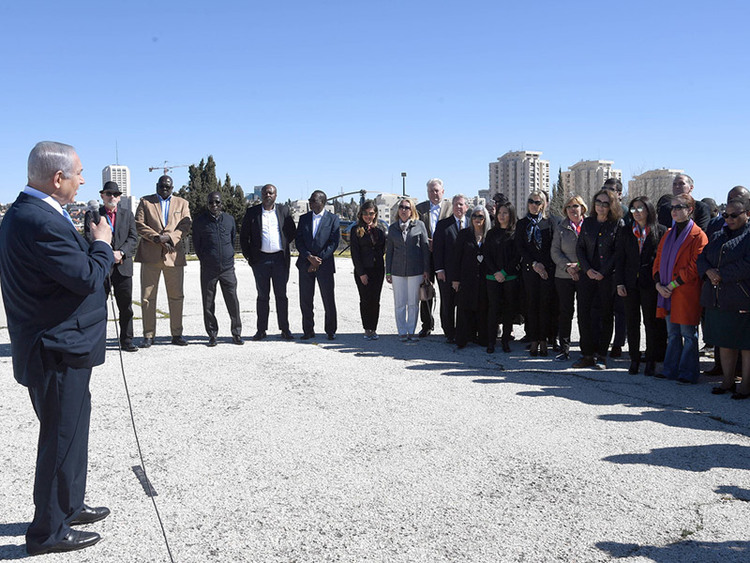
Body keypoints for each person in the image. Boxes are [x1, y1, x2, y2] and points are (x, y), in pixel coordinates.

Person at [0, 141, 114, 555]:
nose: (85, 179)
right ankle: (47, 531)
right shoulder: (38, 220)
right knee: (60, 437)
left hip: (61, 345)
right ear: (58, 178)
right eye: (79, 172)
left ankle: (68, 505)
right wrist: (102, 244)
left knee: (72, 430)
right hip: (56, 348)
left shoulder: (33, 213)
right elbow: (85, 276)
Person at [653, 194, 708, 383]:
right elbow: (658, 261)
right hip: (667, 292)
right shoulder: (668, 233)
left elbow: (695, 266)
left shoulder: (698, 235)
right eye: (673, 208)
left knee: (689, 335)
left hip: (685, 292)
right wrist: (658, 284)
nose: (675, 211)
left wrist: (672, 284)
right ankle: (670, 369)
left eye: (680, 207)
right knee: (673, 334)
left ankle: (688, 373)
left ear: (690, 210)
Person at [698, 198, 750, 398]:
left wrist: (721, 273)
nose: (729, 219)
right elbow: (701, 258)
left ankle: (745, 385)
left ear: (747, 214)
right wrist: (709, 271)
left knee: (746, 345)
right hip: (718, 298)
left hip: (742, 297)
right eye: (726, 214)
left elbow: (747, 264)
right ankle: (727, 381)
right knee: (725, 342)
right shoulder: (718, 235)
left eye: (734, 215)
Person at [134, 175, 192, 347]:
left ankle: (176, 334)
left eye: (168, 186)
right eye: (162, 186)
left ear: (172, 187)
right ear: (156, 186)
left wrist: (169, 237)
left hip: (173, 257)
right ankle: (148, 335)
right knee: (147, 298)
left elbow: (185, 225)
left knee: (176, 297)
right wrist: (157, 238)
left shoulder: (182, 203)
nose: (165, 189)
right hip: (150, 256)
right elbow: (139, 223)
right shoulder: (146, 202)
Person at [84, 181, 138, 352]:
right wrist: (107, 253)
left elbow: (133, 238)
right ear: (102, 195)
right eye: (108, 194)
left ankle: (127, 340)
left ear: (119, 197)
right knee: (98, 306)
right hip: (102, 267)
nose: (112, 197)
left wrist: (121, 253)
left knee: (126, 306)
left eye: (115, 194)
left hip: (123, 266)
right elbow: (88, 237)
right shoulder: (93, 214)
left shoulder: (127, 214)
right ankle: (97, 341)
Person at [615, 196, 666, 375]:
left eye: (640, 208)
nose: (636, 212)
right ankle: (634, 359)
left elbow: (661, 261)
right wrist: (619, 282)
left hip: (650, 283)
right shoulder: (626, 231)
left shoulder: (660, 231)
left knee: (650, 323)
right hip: (629, 283)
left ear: (648, 210)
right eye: (633, 209)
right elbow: (620, 259)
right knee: (632, 322)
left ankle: (651, 359)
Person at [574, 188, 623, 369]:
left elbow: (618, 252)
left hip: (606, 276)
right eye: (598, 203)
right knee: (583, 314)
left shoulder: (618, 224)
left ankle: (602, 355)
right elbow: (580, 248)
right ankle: (587, 354)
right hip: (587, 275)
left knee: (605, 315)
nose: (601, 207)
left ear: (611, 206)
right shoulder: (587, 223)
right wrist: (587, 269)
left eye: (605, 203)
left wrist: (603, 271)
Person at [240, 184, 297, 340]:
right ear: (261, 195)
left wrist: (283, 245)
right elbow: (244, 237)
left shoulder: (283, 211)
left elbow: (291, 232)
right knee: (262, 296)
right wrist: (249, 257)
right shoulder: (252, 213)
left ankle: (285, 329)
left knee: (281, 296)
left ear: (276, 195)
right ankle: (261, 330)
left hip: (280, 260)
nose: (268, 195)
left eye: (271, 193)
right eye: (265, 193)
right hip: (260, 261)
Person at [192, 191, 243, 346]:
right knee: (208, 303)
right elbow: (197, 244)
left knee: (233, 301)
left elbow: (232, 238)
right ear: (207, 204)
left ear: (222, 203)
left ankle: (236, 333)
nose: (214, 205)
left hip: (227, 268)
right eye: (211, 203)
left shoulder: (229, 220)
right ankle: (212, 334)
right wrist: (207, 260)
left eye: (217, 202)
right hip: (209, 269)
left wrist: (228, 258)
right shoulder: (200, 222)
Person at [296, 190, 340, 340]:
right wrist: (309, 257)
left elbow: (334, 242)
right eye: (310, 200)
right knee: (306, 299)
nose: (311, 203)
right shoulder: (303, 219)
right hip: (305, 264)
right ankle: (308, 330)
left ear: (323, 202)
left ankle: (330, 330)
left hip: (325, 265)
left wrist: (318, 259)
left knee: (328, 298)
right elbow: (299, 241)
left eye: (313, 200)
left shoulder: (333, 219)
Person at [516, 190, 555, 356]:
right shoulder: (522, 224)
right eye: (531, 201)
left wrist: (543, 267)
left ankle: (544, 339)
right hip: (529, 269)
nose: (533, 205)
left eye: (538, 202)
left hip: (546, 271)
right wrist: (534, 264)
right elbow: (520, 247)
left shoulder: (550, 222)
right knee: (531, 305)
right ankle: (533, 339)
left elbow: (553, 247)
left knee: (545, 305)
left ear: (544, 204)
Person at [385, 198, 431, 341]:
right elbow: (389, 251)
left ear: (412, 211)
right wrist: (388, 271)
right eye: (401, 207)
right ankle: (402, 331)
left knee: (413, 303)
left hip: (415, 270)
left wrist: (426, 270)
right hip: (397, 271)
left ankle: (411, 330)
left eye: (406, 207)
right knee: (399, 303)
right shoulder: (392, 228)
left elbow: (425, 249)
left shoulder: (420, 225)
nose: (403, 210)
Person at [551, 195, 587, 361]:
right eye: (570, 207)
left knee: (584, 312)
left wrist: (579, 266)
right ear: (565, 210)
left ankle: (585, 348)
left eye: (576, 206)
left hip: (584, 274)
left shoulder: (589, 225)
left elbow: (593, 251)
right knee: (565, 311)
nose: (573, 209)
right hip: (563, 275)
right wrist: (568, 266)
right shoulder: (560, 227)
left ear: (583, 208)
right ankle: (564, 348)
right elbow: (555, 251)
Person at [416, 178, 452, 337]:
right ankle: (427, 324)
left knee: (446, 294)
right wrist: (426, 242)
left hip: (445, 257)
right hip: (426, 256)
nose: (434, 193)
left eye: (436, 190)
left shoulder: (451, 207)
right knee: (425, 291)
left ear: (443, 191)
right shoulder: (420, 209)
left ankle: (448, 327)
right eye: (431, 190)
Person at [452, 205, 491, 348]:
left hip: (484, 279)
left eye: (480, 216)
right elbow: (457, 258)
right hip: (466, 277)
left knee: (482, 307)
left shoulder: (489, 235)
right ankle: (463, 338)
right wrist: (455, 279)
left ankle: (482, 338)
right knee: (464, 307)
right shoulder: (464, 234)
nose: (477, 219)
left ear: (485, 218)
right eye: (474, 216)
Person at [485, 200, 521, 353]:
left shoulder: (515, 233)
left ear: (511, 214)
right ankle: (491, 341)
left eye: (505, 213)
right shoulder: (491, 233)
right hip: (493, 278)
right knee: (493, 309)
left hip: (510, 278)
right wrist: (496, 272)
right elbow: (486, 255)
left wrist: (504, 273)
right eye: (499, 213)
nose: (501, 215)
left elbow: (517, 256)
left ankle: (505, 340)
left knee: (508, 310)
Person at [433, 194, 469, 343]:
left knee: (463, 303)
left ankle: (463, 331)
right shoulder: (443, 225)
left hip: (466, 272)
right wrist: (439, 269)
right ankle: (449, 332)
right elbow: (437, 249)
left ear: (467, 207)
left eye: (461, 204)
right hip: (446, 272)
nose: (458, 207)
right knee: (447, 303)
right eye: (455, 204)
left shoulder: (472, 223)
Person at [350, 200, 386, 340]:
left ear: (375, 214)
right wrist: (361, 273)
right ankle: (367, 329)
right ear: (361, 214)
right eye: (365, 213)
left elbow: (382, 248)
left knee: (375, 300)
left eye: (371, 213)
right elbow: (355, 254)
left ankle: (374, 328)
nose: (368, 216)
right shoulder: (356, 230)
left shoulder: (380, 229)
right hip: (363, 270)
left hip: (377, 270)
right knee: (365, 300)